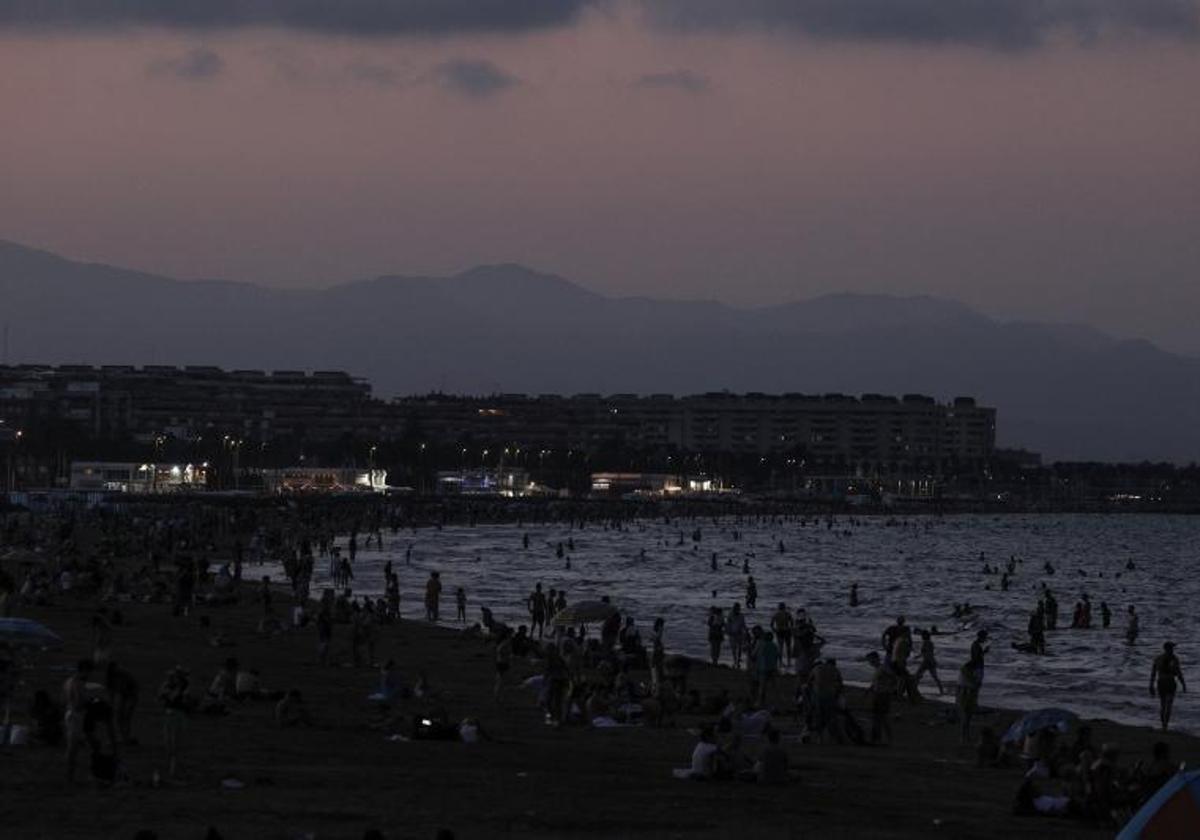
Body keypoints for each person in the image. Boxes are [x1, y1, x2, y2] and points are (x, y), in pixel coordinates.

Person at [63, 659, 93, 783]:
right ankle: (69, 776)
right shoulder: (78, 683)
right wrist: (90, 702)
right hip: (76, 715)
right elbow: (79, 702)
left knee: (73, 747)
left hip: (70, 714)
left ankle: (70, 775)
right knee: (72, 748)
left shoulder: (68, 681)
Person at [158, 666, 189, 780]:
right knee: (170, 744)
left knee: (174, 744)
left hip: (175, 715)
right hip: (173, 715)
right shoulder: (177, 686)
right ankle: (173, 769)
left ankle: (173, 770)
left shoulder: (182, 687)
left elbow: (170, 697)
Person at [1150, 642, 1187, 732]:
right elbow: (1178, 672)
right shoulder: (1174, 658)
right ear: (1168, 648)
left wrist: (1151, 685)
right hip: (1170, 682)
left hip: (1161, 682)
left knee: (1163, 705)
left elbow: (1153, 674)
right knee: (1168, 705)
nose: (1173, 650)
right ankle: (1165, 726)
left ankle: (1164, 726)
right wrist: (1183, 684)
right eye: (1172, 648)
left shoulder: (1158, 658)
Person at [106, 661, 140, 746]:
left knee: (126, 717)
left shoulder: (126, 674)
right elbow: (111, 690)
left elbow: (135, 687)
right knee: (119, 717)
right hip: (122, 695)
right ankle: (123, 737)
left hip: (130, 696)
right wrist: (111, 703)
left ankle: (125, 737)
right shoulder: (112, 676)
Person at [866, 652, 896, 745]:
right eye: (869, 660)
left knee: (882, 717)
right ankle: (877, 739)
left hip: (883, 695)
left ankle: (887, 739)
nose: (869, 662)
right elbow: (876, 682)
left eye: (870, 660)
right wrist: (869, 690)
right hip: (878, 694)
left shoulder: (883, 668)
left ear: (876, 658)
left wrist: (890, 688)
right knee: (877, 717)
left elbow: (894, 678)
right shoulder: (878, 669)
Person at [957, 659, 982, 745]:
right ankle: (963, 737)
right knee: (966, 718)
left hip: (966, 697)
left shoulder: (964, 675)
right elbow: (974, 685)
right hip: (966, 697)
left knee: (967, 718)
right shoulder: (966, 676)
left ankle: (965, 737)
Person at [913, 630, 944, 694]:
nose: (921, 636)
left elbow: (925, 652)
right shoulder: (930, 643)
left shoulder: (925, 643)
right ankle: (941, 690)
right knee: (934, 677)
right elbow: (928, 653)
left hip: (927, 661)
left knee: (917, 675)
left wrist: (918, 656)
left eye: (922, 635)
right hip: (930, 661)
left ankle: (914, 688)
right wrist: (918, 656)